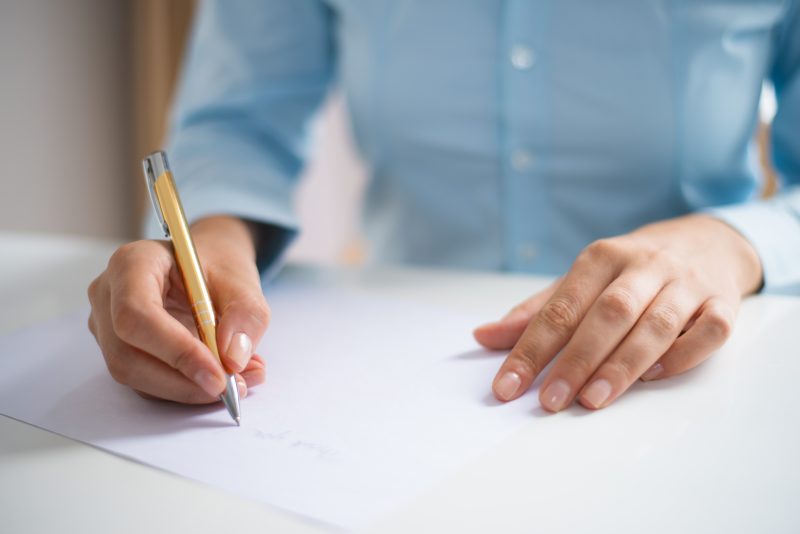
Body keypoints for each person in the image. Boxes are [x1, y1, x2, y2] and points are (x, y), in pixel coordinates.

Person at [87, 1, 800, 412]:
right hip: (403, 365)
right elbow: (237, 121)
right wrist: (212, 234)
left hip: (702, 383)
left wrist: (732, 244)